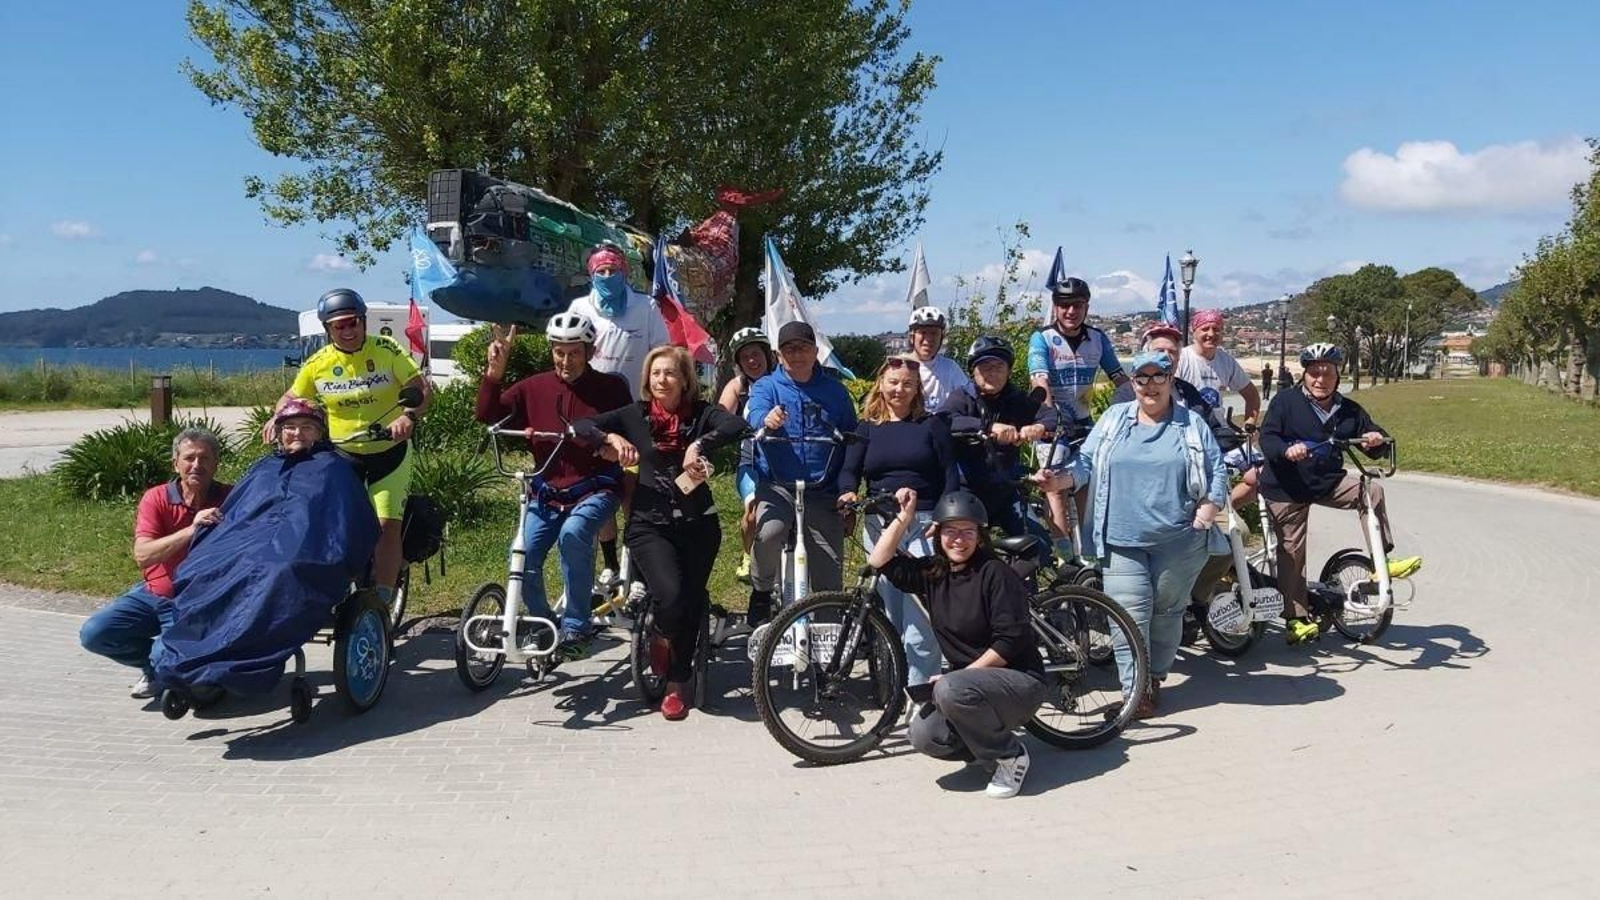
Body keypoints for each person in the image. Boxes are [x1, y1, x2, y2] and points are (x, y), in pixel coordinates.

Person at [571, 345, 747, 720]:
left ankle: (676, 683)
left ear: (685, 379)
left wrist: (699, 444)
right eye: (655, 374)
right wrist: (610, 440)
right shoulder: (635, 415)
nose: (662, 380)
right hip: (649, 524)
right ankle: (661, 636)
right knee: (670, 594)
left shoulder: (701, 415)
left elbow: (736, 425)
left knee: (691, 598)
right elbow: (581, 426)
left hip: (699, 524)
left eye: (670, 373)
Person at [1064, 351, 1228, 717]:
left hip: (1180, 540)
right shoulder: (1114, 420)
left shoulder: (1190, 424)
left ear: (1171, 381)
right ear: (1133, 383)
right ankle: (1136, 693)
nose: (1150, 385)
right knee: (1127, 615)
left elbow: (1217, 470)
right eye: (1142, 378)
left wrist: (1208, 509)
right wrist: (1062, 478)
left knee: (1167, 612)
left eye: (1159, 377)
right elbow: (1086, 463)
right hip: (1121, 539)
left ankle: (1154, 676)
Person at [867, 488, 1046, 799]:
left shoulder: (995, 573)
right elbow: (879, 560)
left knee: (950, 689)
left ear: (980, 536)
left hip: (1020, 683)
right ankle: (985, 749)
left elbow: (1010, 642)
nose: (959, 540)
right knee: (923, 735)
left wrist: (959, 678)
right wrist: (904, 517)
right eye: (951, 531)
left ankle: (1010, 756)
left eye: (968, 532)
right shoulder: (934, 573)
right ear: (938, 534)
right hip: (972, 687)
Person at [474, 313, 632, 657]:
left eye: (574, 352)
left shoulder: (611, 388)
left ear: (589, 351)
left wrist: (615, 442)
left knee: (574, 535)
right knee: (524, 553)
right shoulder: (534, 387)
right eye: (559, 352)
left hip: (596, 486)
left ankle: (577, 625)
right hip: (547, 491)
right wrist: (494, 375)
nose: (565, 360)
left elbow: (631, 430)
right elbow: (487, 414)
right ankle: (544, 623)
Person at [268, 288, 428, 599]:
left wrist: (408, 416)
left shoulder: (387, 349)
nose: (348, 331)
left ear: (363, 322)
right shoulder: (318, 364)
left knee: (386, 525)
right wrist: (277, 417)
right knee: (336, 523)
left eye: (353, 322)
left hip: (389, 453)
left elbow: (418, 385)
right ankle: (339, 587)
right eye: (339, 326)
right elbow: (292, 397)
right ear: (328, 330)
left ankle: (383, 598)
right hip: (343, 453)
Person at [1259, 343, 1423, 644]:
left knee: (1370, 490)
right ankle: (1295, 619)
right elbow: (1267, 438)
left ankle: (1381, 562)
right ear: (1304, 374)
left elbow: (1373, 440)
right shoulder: (1285, 402)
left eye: (1328, 373)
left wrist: (1375, 441)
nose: (1320, 379)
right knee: (1292, 550)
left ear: (1337, 375)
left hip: (1327, 481)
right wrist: (1286, 449)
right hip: (1287, 486)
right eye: (1314, 373)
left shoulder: (1348, 410)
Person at [79, 428, 231, 699]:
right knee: (95, 633)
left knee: (169, 656)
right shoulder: (157, 497)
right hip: (154, 593)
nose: (196, 465)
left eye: (205, 458)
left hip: (199, 601)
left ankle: (184, 672)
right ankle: (156, 669)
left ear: (216, 463)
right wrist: (193, 530)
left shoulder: (229, 499)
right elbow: (144, 554)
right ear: (176, 463)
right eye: (189, 458)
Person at [837, 354, 959, 685]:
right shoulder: (866, 428)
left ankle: (921, 694)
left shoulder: (932, 425)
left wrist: (944, 518)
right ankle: (895, 689)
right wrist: (848, 493)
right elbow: (849, 471)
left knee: (920, 618)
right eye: (893, 382)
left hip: (924, 524)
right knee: (891, 615)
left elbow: (951, 474)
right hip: (881, 525)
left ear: (917, 388)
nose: (899, 390)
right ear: (881, 384)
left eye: (907, 384)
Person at [564, 242, 671, 585]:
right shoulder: (580, 306)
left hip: (637, 410)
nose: (607, 277)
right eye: (601, 271)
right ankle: (609, 564)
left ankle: (637, 564)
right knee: (598, 487)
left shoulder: (646, 306)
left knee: (633, 488)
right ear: (591, 274)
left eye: (613, 270)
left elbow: (661, 354)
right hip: (594, 409)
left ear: (625, 271)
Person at [744, 321, 859, 626]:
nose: (797, 355)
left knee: (829, 570)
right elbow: (755, 414)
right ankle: (761, 591)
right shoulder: (766, 387)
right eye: (789, 349)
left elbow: (851, 434)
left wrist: (848, 487)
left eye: (803, 348)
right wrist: (766, 419)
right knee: (769, 532)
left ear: (815, 351)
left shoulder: (835, 392)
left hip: (823, 489)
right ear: (778, 355)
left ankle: (827, 638)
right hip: (778, 485)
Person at [1028, 277, 1129, 557]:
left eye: (1077, 305)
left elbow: (1120, 377)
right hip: (1054, 424)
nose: (1070, 311)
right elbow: (1039, 381)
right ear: (1055, 307)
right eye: (1063, 305)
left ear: (1086, 307)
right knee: (1055, 489)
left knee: (1088, 485)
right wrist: (1050, 415)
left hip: (1085, 424)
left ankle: (1089, 554)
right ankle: (1064, 558)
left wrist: (1139, 404)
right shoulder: (1043, 339)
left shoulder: (1098, 338)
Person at [939, 336, 1055, 544]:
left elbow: (1051, 416)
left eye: (999, 366)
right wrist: (987, 427)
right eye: (984, 367)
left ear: (1009, 371)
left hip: (1007, 489)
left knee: (1038, 545)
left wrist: (1038, 427)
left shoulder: (1017, 399)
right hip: (967, 490)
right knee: (963, 550)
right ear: (973, 372)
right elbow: (944, 421)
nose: (992, 372)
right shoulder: (962, 397)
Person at [717, 327, 775, 583]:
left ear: (767, 354)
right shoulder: (738, 386)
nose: (752, 361)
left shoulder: (782, 381)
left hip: (784, 462)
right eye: (745, 357)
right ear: (739, 363)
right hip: (751, 460)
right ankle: (747, 553)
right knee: (752, 511)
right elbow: (719, 415)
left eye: (756, 354)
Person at [1175, 309, 1261, 430]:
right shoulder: (1181, 359)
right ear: (1193, 332)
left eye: (1216, 329)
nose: (1211, 334)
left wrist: (1249, 424)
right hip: (1187, 429)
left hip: (1218, 431)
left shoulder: (1226, 361)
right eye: (1205, 329)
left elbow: (1252, 395)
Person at [906, 306, 971, 411]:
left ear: (941, 338)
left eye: (934, 333)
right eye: (923, 332)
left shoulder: (950, 368)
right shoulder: (900, 365)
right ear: (911, 337)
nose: (928, 339)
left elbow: (969, 396)